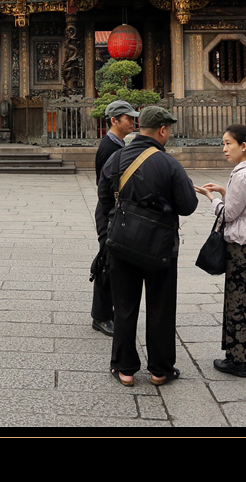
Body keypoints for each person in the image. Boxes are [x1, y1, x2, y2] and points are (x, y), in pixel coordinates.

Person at [96, 105, 198, 387]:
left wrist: (106, 241)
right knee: (161, 307)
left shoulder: (115, 160)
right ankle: (160, 369)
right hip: (160, 247)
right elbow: (188, 206)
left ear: (140, 128)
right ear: (162, 131)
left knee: (125, 306)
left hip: (121, 245)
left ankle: (124, 368)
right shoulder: (169, 164)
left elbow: (103, 202)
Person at [195, 124, 246, 378]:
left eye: (228, 143)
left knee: (238, 300)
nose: (224, 149)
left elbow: (228, 213)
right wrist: (224, 192)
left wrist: (211, 198)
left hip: (240, 243)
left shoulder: (241, 173)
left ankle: (237, 359)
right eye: (223, 143)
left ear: (243, 146)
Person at [90, 100, 140, 337]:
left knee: (112, 260)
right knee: (107, 261)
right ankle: (101, 316)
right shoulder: (109, 147)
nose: (132, 121)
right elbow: (105, 185)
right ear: (114, 121)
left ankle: (107, 312)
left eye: (132, 118)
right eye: (128, 118)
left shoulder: (118, 144)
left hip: (114, 209)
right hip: (109, 210)